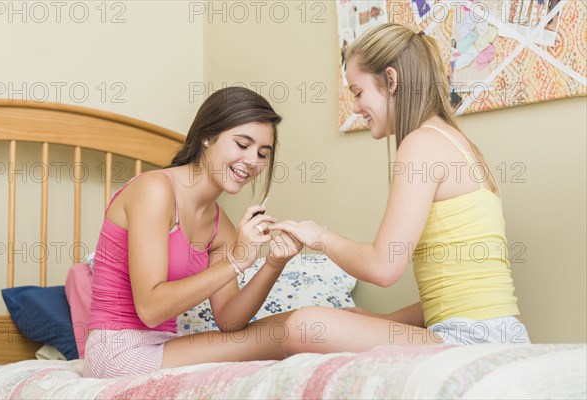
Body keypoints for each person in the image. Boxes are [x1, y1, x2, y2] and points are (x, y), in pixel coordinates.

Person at [271, 23, 530, 354]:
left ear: (391, 81)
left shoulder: (421, 144)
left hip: (472, 339)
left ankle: (203, 351)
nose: (355, 108)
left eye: (357, 92)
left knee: (304, 325)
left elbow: (383, 266)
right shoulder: (459, 144)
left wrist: (317, 237)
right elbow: (457, 292)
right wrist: (384, 320)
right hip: (502, 333)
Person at [84, 87, 302, 378]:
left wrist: (273, 264)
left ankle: (374, 328)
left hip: (163, 346)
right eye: (242, 144)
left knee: (299, 325)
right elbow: (150, 308)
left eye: (263, 154)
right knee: (293, 331)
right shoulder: (154, 190)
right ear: (207, 136)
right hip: (117, 349)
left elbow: (229, 322)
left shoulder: (219, 224)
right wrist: (236, 260)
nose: (253, 161)